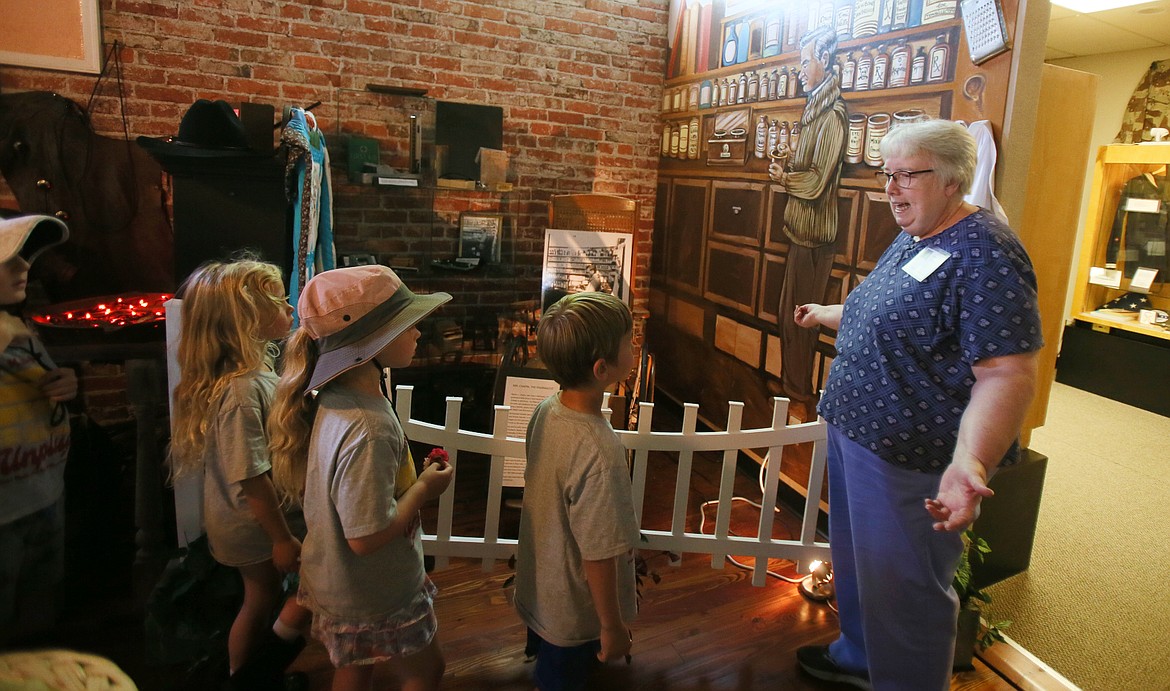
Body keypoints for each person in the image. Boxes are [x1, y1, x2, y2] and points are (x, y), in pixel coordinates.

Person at [791, 119, 1043, 690]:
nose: (890, 189)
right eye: (887, 174)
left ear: (953, 178)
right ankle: (859, 655)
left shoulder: (987, 252)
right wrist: (830, 313)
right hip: (859, 435)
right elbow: (887, 312)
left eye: (907, 174)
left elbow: (1008, 373)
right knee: (862, 569)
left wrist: (972, 461)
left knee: (906, 591)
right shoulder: (918, 234)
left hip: (911, 458)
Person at [268, 265, 454, 691]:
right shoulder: (368, 426)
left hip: (345, 584)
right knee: (427, 672)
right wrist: (425, 487)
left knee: (355, 670)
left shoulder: (337, 399)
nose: (418, 334)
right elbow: (365, 537)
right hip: (374, 591)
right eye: (408, 326)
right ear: (374, 342)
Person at [168, 257, 313, 690]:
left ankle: (259, 673)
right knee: (261, 599)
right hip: (255, 526)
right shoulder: (241, 390)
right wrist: (280, 538)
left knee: (267, 598)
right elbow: (251, 476)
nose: (290, 308)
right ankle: (245, 679)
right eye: (279, 301)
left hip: (255, 522)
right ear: (246, 318)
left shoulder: (253, 376)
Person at [514, 291, 640, 691]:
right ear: (603, 368)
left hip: (542, 582)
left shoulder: (547, 409)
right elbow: (599, 551)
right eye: (629, 340)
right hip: (576, 608)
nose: (634, 345)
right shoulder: (600, 450)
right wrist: (611, 625)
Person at [0, 215, 77, 648]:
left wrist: (66, 384)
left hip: (42, 489)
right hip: (5, 506)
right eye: (8, 260)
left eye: (24, 257)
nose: (23, 268)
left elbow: (43, 385)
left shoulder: (17, 332)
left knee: (38, 616)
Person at [767, 24, 847, 404]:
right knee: (790, 314)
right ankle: (791, 388)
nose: (800, 69)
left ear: (825, 60)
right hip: (801, 230)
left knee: (801, 317)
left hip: (815, 235)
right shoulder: (814, 110)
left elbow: (816, 182)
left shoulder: (832, 115)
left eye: (805, 61)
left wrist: (785, 178)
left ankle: (796, 393)